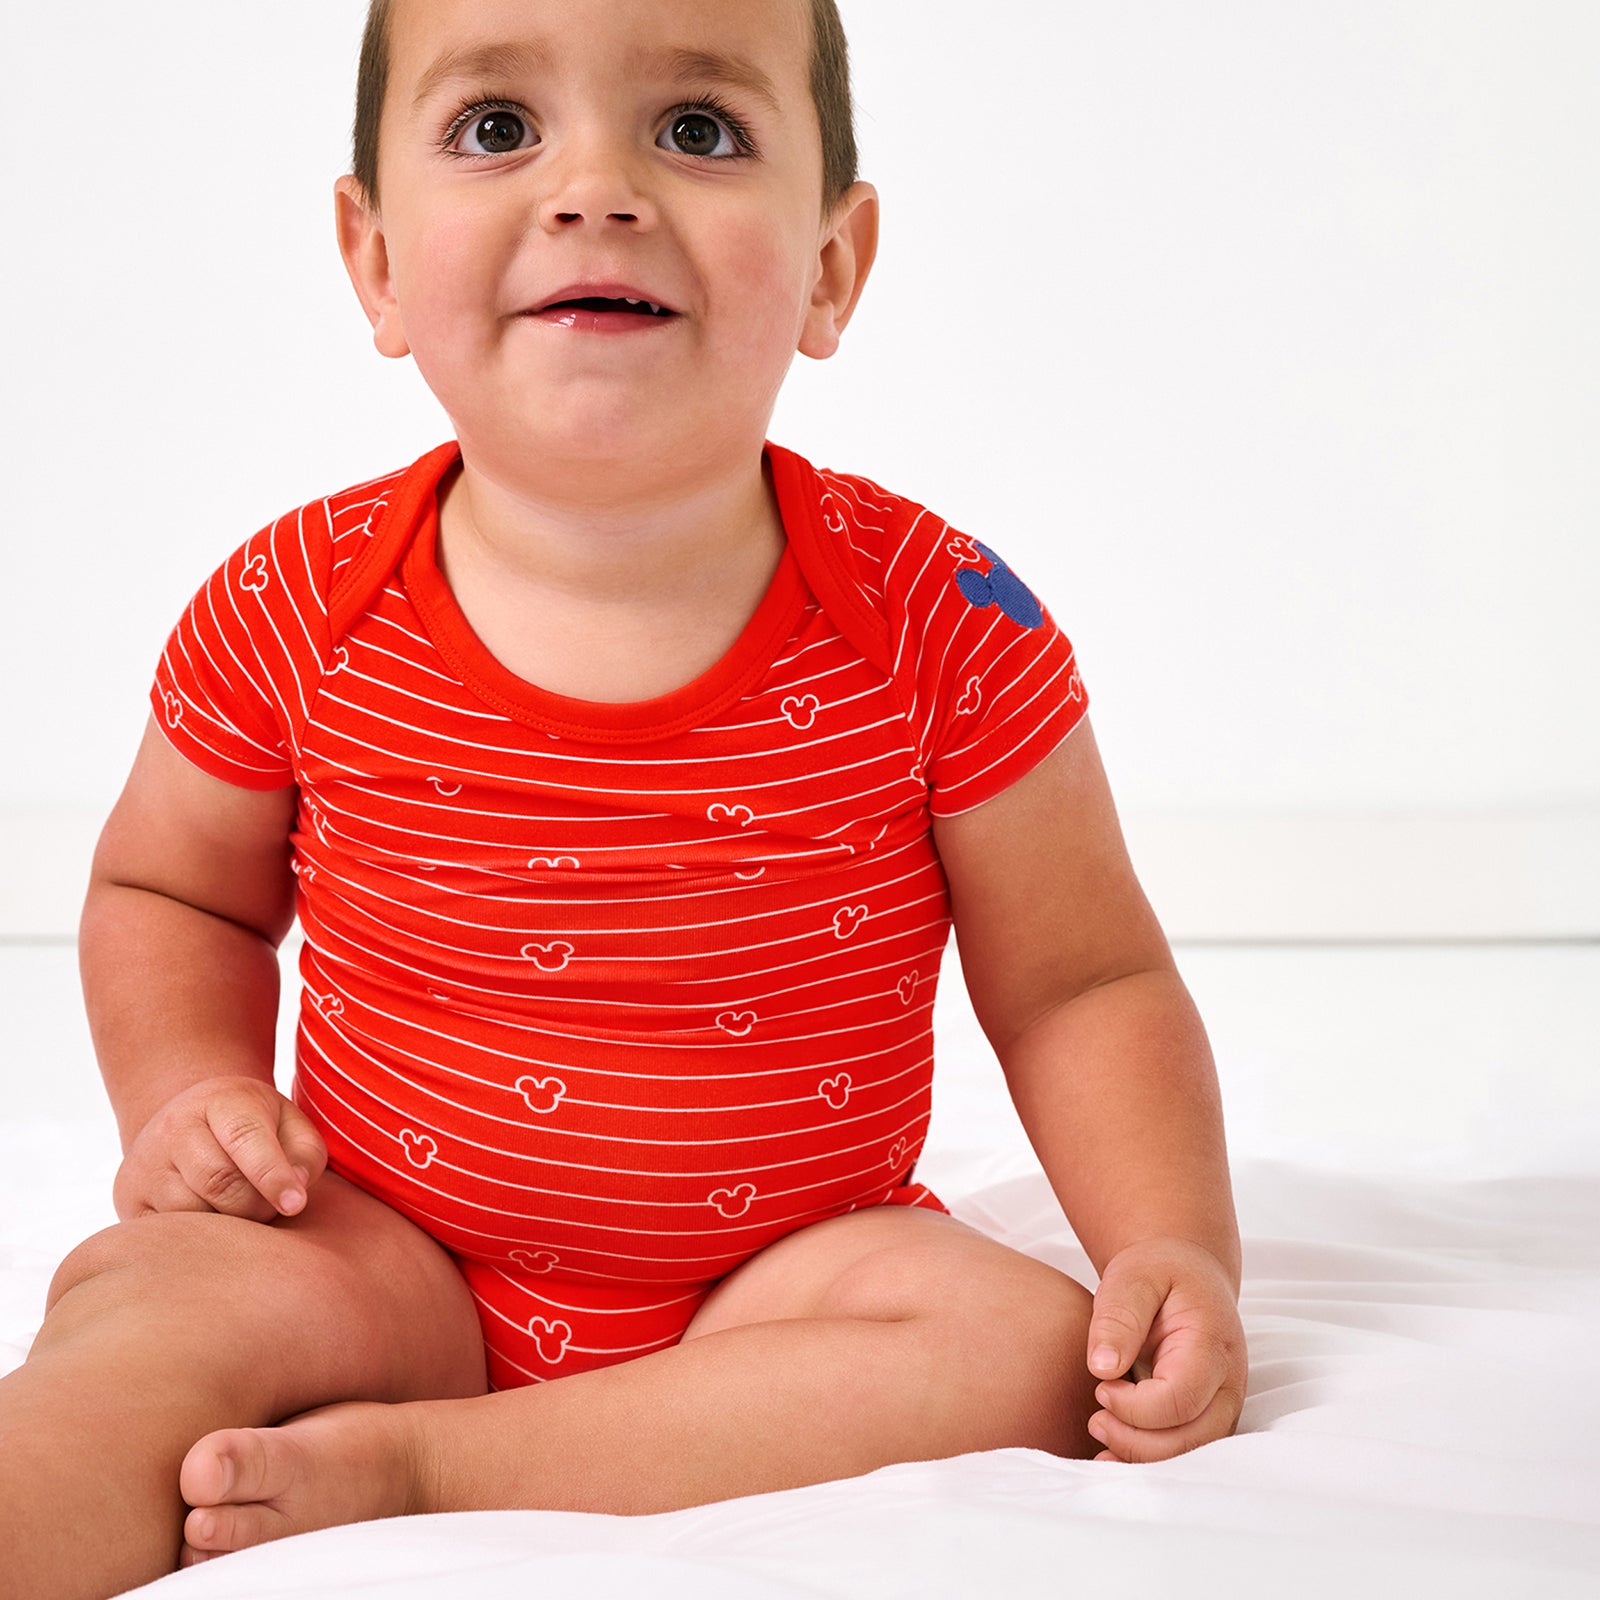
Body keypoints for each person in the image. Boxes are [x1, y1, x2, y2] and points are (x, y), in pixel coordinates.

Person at [0, 1, 1247, 1594]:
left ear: (830, 267)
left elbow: (1082, 982)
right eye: (498, 129)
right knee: (152, 1310)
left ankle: (433, 1467)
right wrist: (190, 1098)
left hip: (779, 1288)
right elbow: (172, 893)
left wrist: (1171, 1243)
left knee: (1021, 1349)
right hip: (379, 1252)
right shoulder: (295, 603)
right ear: (375, 261)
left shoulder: (945, 619)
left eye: (698, 130)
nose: (596, 190)